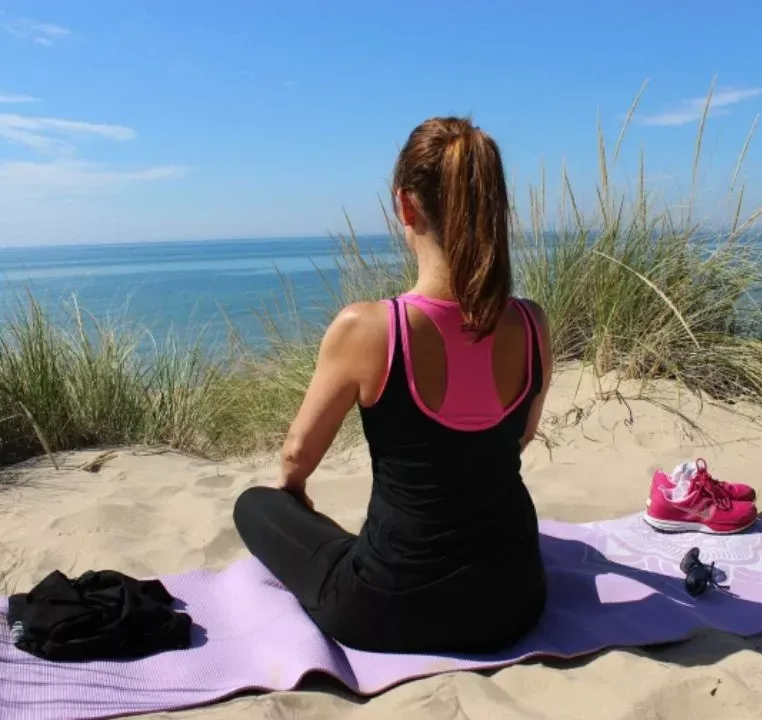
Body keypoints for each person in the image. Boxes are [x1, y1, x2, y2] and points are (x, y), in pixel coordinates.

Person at [233, 116, 553, 654]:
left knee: (254, 504)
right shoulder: (532, 323)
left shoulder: (369, 328)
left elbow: (294, 458)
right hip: (516, 600)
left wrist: (294, 499)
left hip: (392, 608)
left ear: (405, 206)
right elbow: (520, 436)